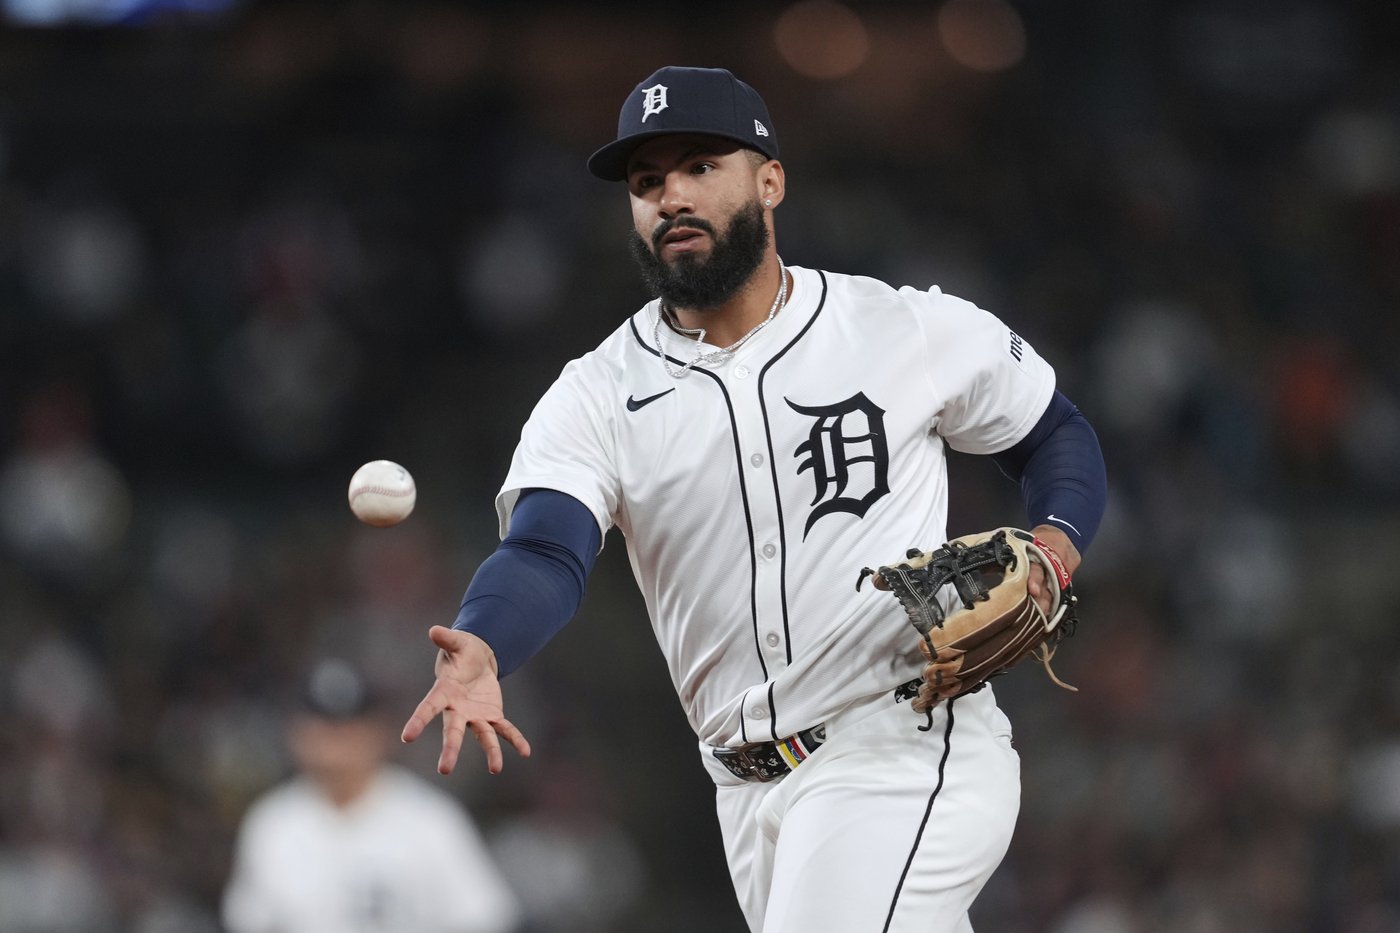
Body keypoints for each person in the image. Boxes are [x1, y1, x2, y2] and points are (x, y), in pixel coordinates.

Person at [401, 66, 1108, 933]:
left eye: (700, 166)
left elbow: (1054, 431)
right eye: (647, 182)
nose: (671, 197)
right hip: (746, 792)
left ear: (769, 179)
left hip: (897, 740)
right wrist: (482, 641)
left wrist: (1058, 543)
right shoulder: (595, 393)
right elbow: (548, 548)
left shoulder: (896, 328)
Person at [224, 657, 523, 933]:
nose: (336, 742)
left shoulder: (431, 820)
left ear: (379, 732)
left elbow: (485, 919)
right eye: (324, 726)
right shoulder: (272, 824)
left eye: (350, 727)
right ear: (296, 733)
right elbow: (250, 921)